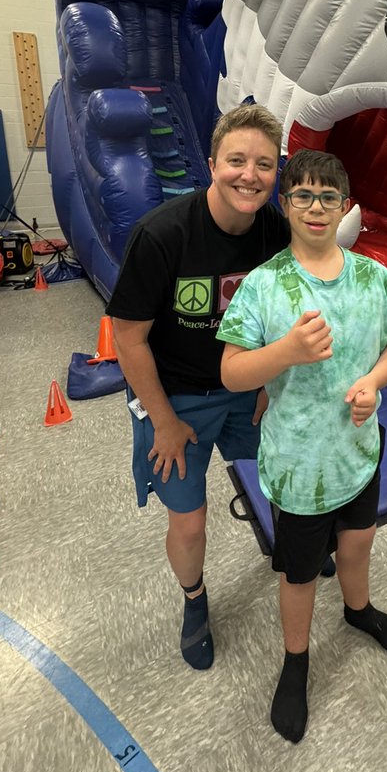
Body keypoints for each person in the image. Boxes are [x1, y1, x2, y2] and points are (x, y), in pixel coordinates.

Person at [217, 149, 387, 743]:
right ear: (285, 205)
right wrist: (286, 351)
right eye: (303, 195)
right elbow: (232, 373)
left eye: (328, 197)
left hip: (358, 452)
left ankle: (358, 611)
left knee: (358, 543)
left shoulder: (372, 278)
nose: (315, 207)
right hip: (300, 466)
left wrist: (373, 381)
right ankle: (295, 661)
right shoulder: (265, 285)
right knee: (301, 574)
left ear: (344, 207)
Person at [107, 104, 289, 672]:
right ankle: (194, 600)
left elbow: (282, 313)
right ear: (211, 165)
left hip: (246, 386)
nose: (249, 175)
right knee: (188, 520)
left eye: (264, 164)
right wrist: (163, 421)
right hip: (176, 395)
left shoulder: (276, 232)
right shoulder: (162, 236)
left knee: (282, 473)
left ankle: (295, 547)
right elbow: (128, 339)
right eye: (236, 161)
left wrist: (270, 381)